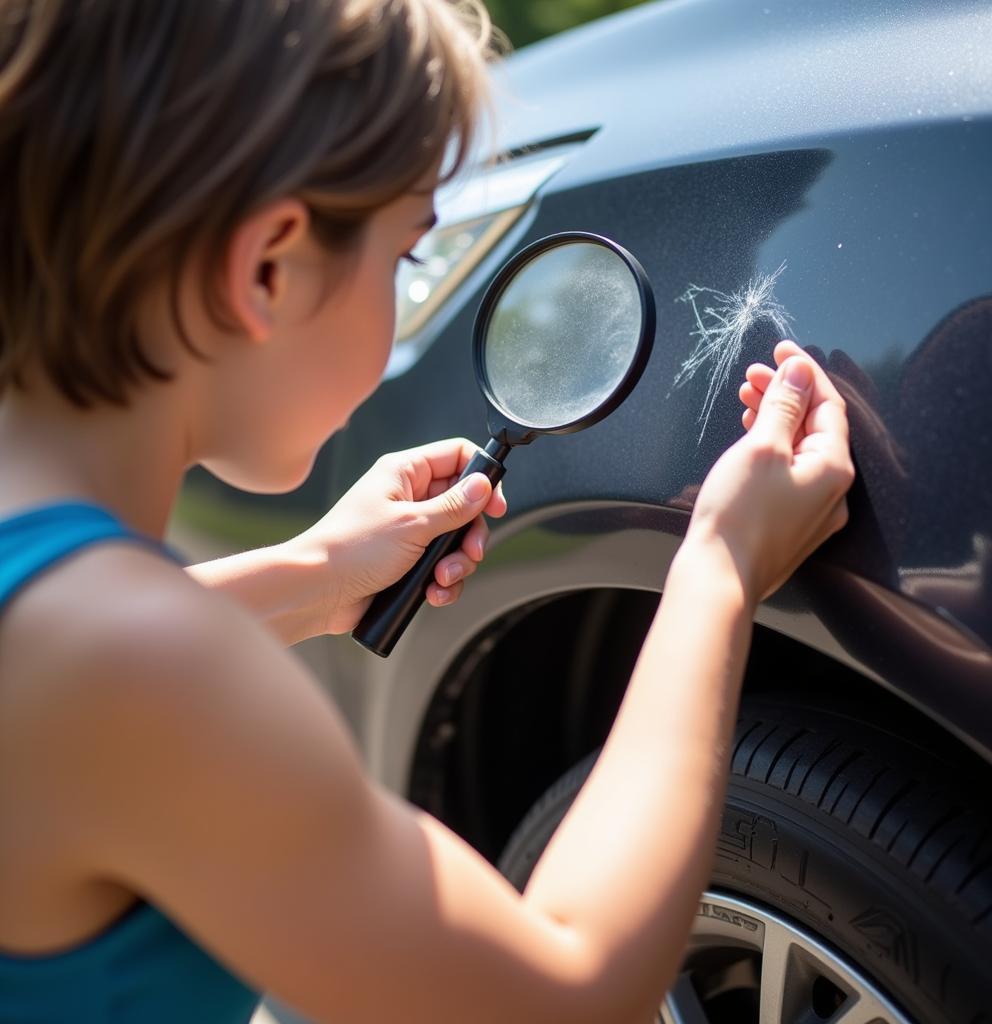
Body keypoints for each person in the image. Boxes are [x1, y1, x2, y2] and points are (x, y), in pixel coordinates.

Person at [0, 1, 854, 1022]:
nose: (406, 297)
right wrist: (717, 568)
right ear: (268, 267)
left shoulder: (76, 637)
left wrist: (315, 573)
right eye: (405, 257)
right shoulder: (140, 673)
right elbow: (570, 992)